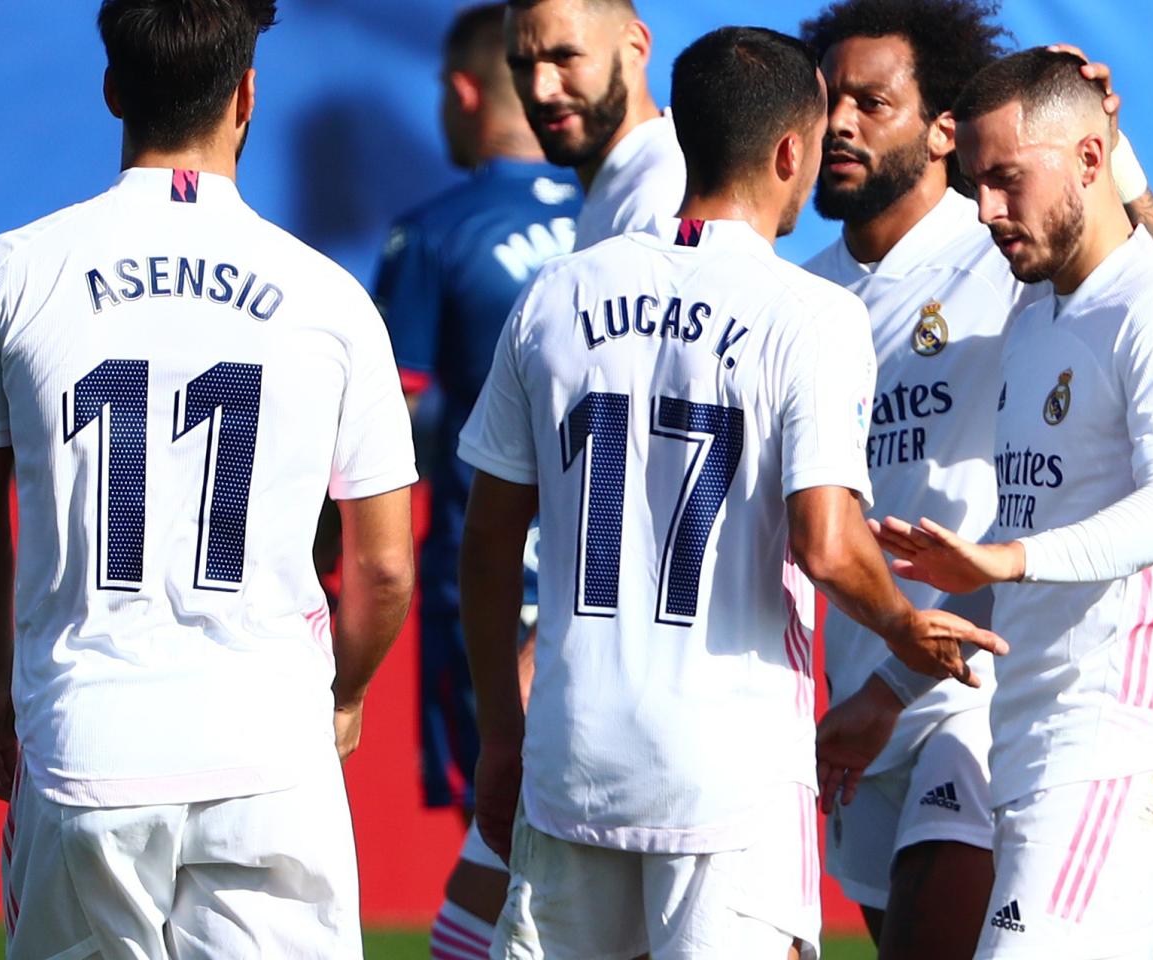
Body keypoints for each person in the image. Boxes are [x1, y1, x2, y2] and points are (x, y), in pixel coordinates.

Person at [456, 26, 1004, 960]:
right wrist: (904, 626)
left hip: (571, 758)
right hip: (730, 775)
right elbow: (827, 545)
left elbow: (488, 542)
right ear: (791, 152)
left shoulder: (556, 294)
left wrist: (502, 737)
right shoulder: (809, 312)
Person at [0, 2, 417, 956]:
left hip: (89, 748)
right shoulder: (330, 296)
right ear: (246, 96)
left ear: (114, 88)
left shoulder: (16, 269)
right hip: (271, 752)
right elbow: (387, 566)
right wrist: (346, 694)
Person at [799, 4, 1153, 958]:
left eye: (873, 101)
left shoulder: (1003, 247)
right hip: (864, 688)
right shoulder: (804, 299)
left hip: (972, 681)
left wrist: (1117, 158)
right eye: (829, 101)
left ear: (943, 129)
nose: (842, 123)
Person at [870, 47, 1153, 958]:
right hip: (1038, 747)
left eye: (1006, 180)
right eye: (974, 186)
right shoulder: (1039, 315)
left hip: (1123, 743)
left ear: (1091, 159)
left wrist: (1007, 559)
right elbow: (1023, 535)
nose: (988, 210)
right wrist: (890, 689)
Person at [371, 4, 581, 957]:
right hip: (619, 585)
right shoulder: (626, 225)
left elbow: (382, 430)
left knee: (504, 830)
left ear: (462, 93)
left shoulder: (435, 235)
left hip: (490, 587)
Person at [504, 0, 686, 246]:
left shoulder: (662, 202)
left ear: (635, 47)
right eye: (521, 66)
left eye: (564, 57)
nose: (541, 90)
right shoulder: (619, 193)